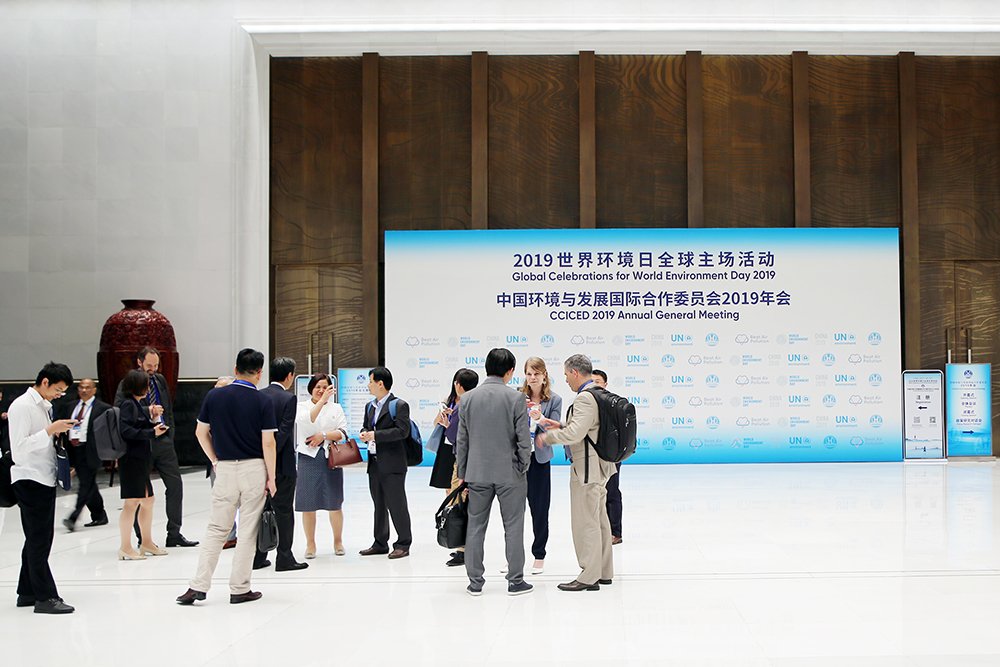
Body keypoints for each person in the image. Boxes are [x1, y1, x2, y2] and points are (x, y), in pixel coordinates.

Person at [176, 348, 277, 606]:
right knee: (247, 531)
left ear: (235, 370)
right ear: (259, 373)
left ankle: (198, 586)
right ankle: (239, 588)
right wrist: (272, 478)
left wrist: (214, 460)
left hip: (224, 469)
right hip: (254, 468)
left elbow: (201, 433)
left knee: (216, 529)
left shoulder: (215, 396)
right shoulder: (263, 401)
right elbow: (268, 443)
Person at [455, 348, 532, 597]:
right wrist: (523, 465)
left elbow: (462, 441)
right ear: (509, 371)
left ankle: (475, 582)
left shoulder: (467, 399)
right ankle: (515, 581)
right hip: (509, 472)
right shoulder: (516, 398)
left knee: (476, 526)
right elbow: (523, 439)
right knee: (514, 525)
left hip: (477, 472)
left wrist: (464, 472)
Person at [538, 354, 617, 592]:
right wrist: (560, 426)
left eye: (565, 375)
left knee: (586, 522)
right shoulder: (599, 393)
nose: (566, 380)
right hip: (601, 466)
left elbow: (576, 435)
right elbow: (587, 429)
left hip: (587, 470)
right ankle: (603, 571)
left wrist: (547, 437)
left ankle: (588, 576)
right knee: (600, 520)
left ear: (574, 372)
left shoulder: (584, 398)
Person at [8, 362, 77, 613]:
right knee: (39, 540)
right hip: (29, 479)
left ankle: (26, 592)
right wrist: (50, 430)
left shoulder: (43, 406)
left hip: (44, 477)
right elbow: (19, 447)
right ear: (45, 382)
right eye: (57, 390)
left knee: (37, 538)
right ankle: (45, 597)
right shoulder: (22, 406)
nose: (59, 395)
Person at [115, 346, 198, 548]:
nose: (153, 369)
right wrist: (147, 410)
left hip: (163, 440)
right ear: (139, 362)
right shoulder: (128, 383)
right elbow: (120, 410)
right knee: (140, 493)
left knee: (175, 485)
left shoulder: (159, 380)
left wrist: (169, 434)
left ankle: (174, 533)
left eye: (156, 365)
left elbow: (168, 407)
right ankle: (142, 537)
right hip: (141, 442)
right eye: (149, 365)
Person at [253, 357, 308, 571]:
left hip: (256, 462)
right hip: (282, 465)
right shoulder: (288, 398)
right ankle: (284, 557)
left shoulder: (258, 396)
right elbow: (283, 434)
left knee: (259, 510)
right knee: (283, 510)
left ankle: (258, 557)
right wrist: (272, 462)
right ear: (289, 376)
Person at [358, 366, 412, 560]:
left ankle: (403, 543)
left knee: (397, 504)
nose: (368, 385)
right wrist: (366, 433)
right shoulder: (369, 406)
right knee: (379, 504)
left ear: (380, 383)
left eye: (371, 381)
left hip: (393, 463)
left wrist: (376, 435)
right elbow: (367, 425)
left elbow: (402, 432)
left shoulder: (399, 405)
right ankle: (380, 542)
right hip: (374, 462)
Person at [294, 373, 349, 560]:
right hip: (308, 458)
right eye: (318, 387)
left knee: (334, 502)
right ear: (311, 388)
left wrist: (324, 435)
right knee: (308, 504)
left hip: (331, 457)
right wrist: (322, 401)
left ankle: (338, 541)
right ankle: (310, 544)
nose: (321, 390)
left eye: (325, 387)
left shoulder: (336, 407)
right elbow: (306, 421)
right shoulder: (302, 406)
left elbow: (342, 432)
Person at [117, 369, 169, 561]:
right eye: (146, 385)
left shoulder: (136, 404)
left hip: (139, 459)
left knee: (148, 500)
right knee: (131, 503)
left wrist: (153, 426)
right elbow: (127, 431)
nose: (148, 388)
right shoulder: (128, 405)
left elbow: (137, 426)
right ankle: (125, 547)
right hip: (131, 460)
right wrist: (151, 433)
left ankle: (146, 541)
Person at [429, 368, 479, 567]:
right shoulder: (449, 400)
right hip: (446, 452)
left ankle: (462, 548)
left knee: (462, 499)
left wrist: (451, 424)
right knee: (450, 496)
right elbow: (437, 424)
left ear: (458, 383)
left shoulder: (471, 403)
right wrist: (443, 419)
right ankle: (456, 539)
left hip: (461, 454)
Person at [519, 356, 563, 575]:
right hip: (518, 460)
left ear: (544, 375)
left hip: (540, 460)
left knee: (540, 509)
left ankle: (539, 554)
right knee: (514, 510)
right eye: (529, 373)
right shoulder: (517, 396)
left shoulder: (554, 400)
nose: (532, 377)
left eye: (536, 373)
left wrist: (539, 418)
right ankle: (514, 556)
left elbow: (554, 430)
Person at [58, 378, 111, 532]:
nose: (84, 390)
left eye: (88, 387)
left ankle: (74, 516)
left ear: (94, 390)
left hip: (92, 451)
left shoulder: (103, 408)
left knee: (85, 484)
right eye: (81, 387)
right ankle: (99, 514)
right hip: (74, 450)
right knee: (89, 484)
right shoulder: (70, 407)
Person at [592, 369, 622, 545]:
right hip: (593, 455)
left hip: (611, 455)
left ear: (605, 384)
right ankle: (600, 530)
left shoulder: (614, 403)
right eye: (592, 381)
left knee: (611, 490)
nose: (595, 385)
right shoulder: (585, 402)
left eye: (598, 381)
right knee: (595, 494)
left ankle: (615, 532)